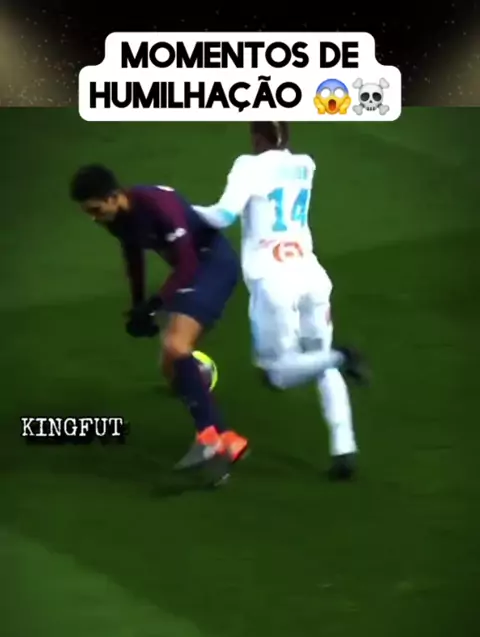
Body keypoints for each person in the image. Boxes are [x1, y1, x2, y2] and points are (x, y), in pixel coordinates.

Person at [194, 122, 366, 480]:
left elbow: (222, 216)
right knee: (319, 360)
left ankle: (344, 356)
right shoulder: (305, 164)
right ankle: (344, 447)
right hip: (311, 275)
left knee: (276, 373)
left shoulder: (248, 165)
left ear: (256, 138)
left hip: (273, 280)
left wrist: (181, 208)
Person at [69, 165, 248, 482]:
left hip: (211, 266)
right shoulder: (116, 219)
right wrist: (138, 306)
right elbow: (133, 255)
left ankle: (211, 438)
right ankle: (225, 438)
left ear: (114, 196)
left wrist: (155, 304)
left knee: (176, 346)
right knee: (169, 365)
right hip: (192, 272)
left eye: (96, 210)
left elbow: (188, 263)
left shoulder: (156, 205)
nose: (94, 218)